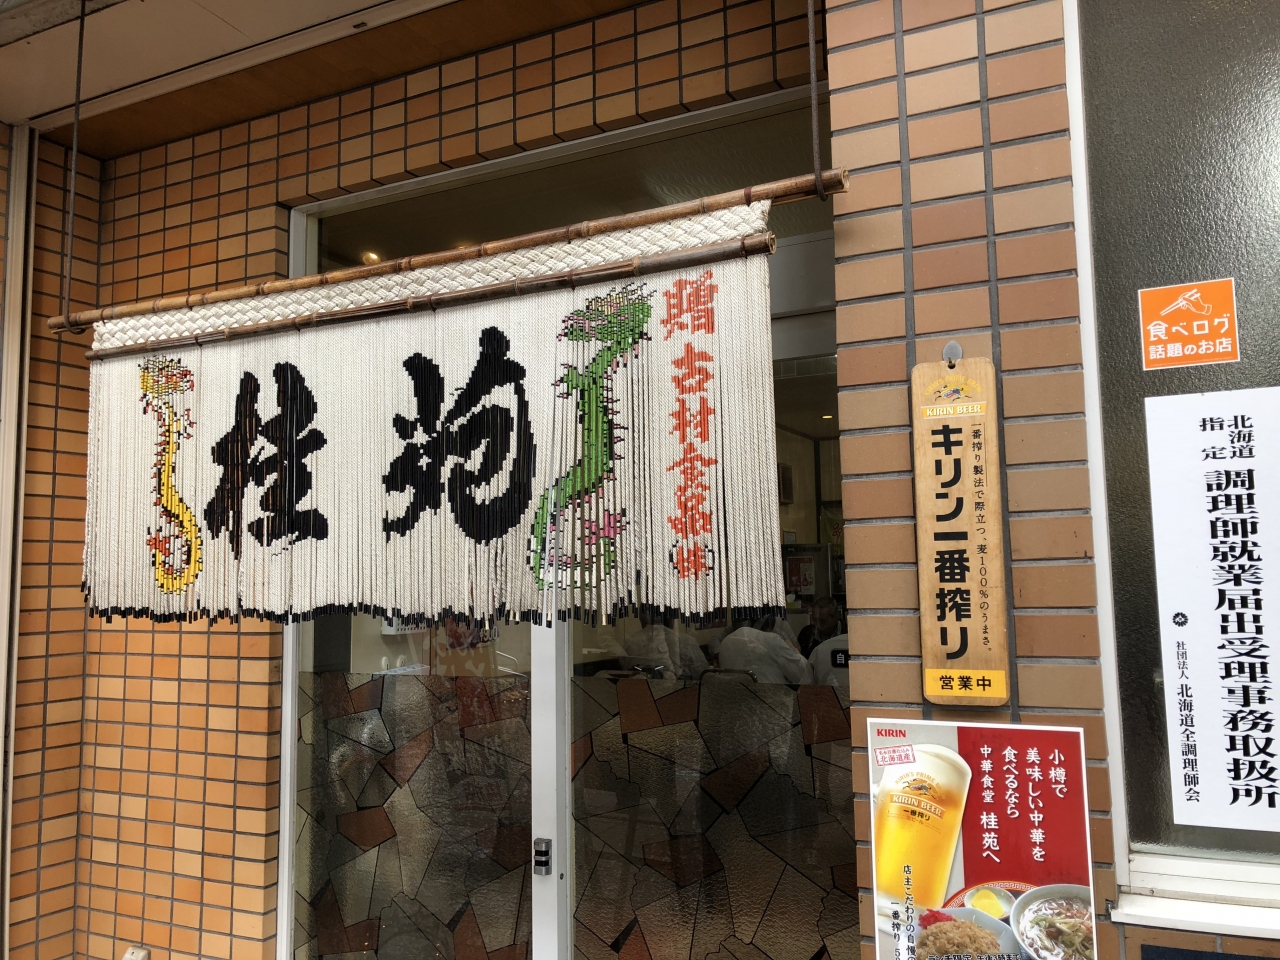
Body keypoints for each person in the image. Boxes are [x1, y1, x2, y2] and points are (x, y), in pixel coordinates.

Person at [717, 615, 813, 684]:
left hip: (734, 702)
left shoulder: (725, 642)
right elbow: (804, 676)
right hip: (770, 702)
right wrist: (793, 650)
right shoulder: (772, 640)